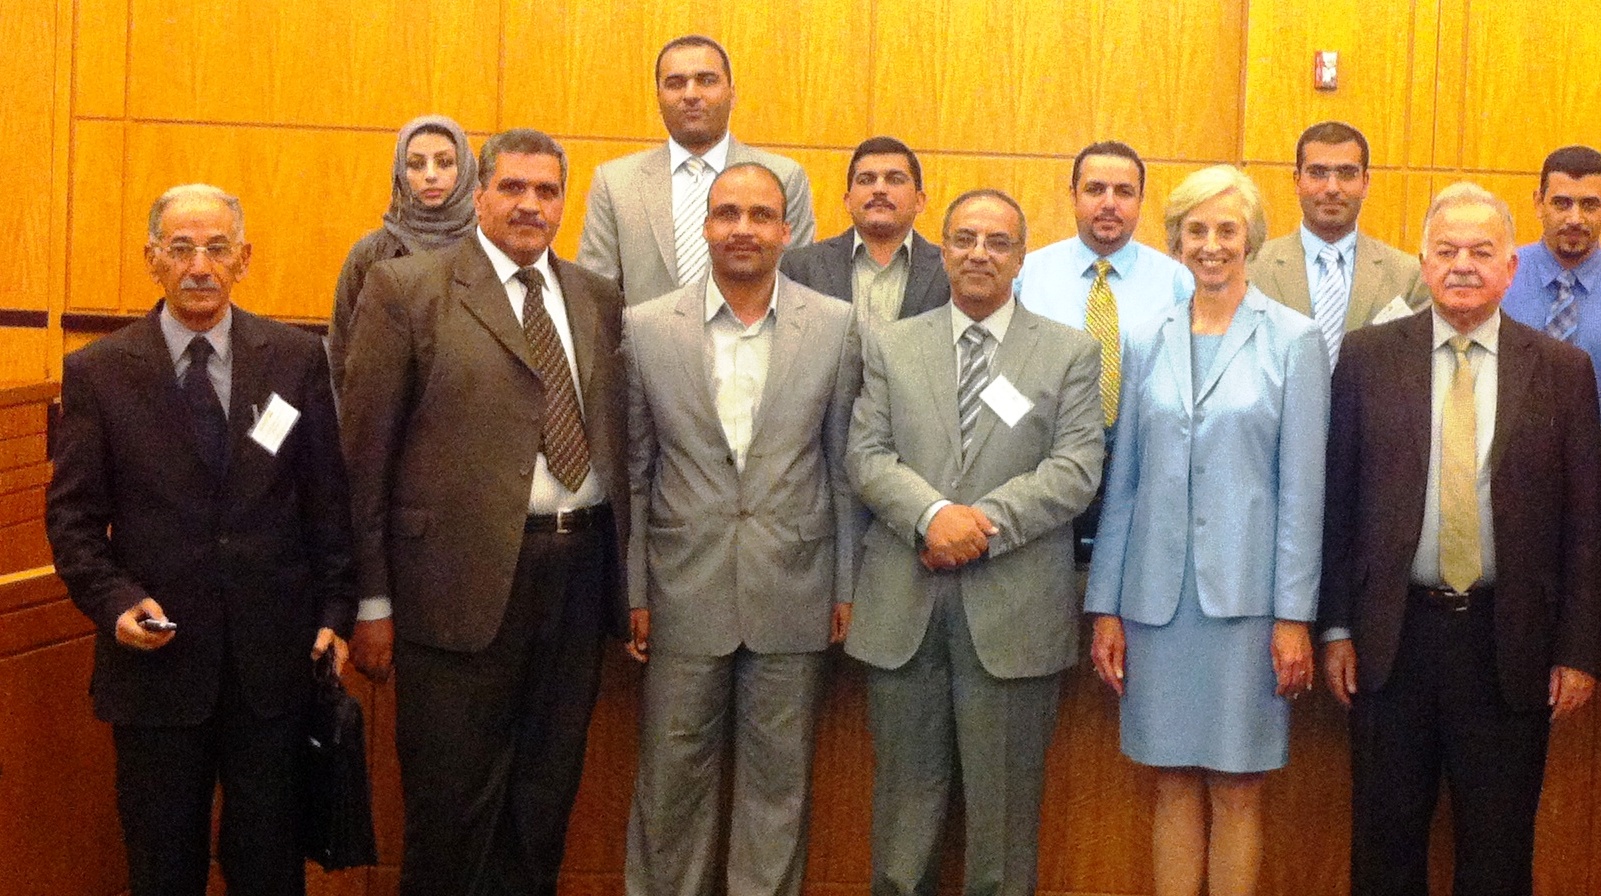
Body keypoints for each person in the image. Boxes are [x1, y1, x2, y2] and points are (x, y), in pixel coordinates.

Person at [342, 128, 627, 896]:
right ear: (480, 195)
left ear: (564, 203)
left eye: (547, 191)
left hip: (577, 577)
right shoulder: (409, 289)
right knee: (451, 814)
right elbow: (364, 459)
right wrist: (371, 600)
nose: (530, 205)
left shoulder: (597, 297)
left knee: (542, 805)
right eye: (513, 188)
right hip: (453, 590)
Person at [47, 183, 354, 896]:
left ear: (244, 259)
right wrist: (115, 602)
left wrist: (336, 613)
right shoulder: (99, 372)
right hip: (156, 668)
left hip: (272, 669)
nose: (199, 266)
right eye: (181, 248)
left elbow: (326, 503)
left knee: (269, 870)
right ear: (151, 258)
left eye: (217, 249)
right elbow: (73, 520)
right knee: (162, 870)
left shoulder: (295, 359)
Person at [1319, 182, 1601, 896]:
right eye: (1446, 251)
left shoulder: (1562, 370)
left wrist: (1577, 649)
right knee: (1384, 849)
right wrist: (1335, 626)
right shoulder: (1366, 357)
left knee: (1498, 852)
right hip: (1391, 639)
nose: (1463, 265)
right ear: (1423, 263)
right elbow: (1339, 504)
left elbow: (1584, 522)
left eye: (1481, 251)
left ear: (1512, 267)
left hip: (1508, 641)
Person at [844, 189, 1105, 896]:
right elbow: (866, 455)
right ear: (943, 250)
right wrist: (932, 516)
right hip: (904, 607)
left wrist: (976, 527)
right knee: (903, 825)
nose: (979, 253)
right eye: (964, 239)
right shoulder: (892, 344)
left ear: (1021, 257)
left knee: (1004, 828)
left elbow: (1076, 469)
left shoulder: (1071, 352)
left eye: (997, 241)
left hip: (1015, 611)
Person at [1084, 165, 1327, 896]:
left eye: (1227, 229)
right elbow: (1124, 484)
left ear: (1251, 239)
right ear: (1176, 241)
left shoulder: (1295, 340)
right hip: (1156, 605)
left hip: (1247, 610)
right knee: (1171, 781)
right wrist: (1105, 607)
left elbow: (1302, 492)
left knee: (1238, 787)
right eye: (1196, 230)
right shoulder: (1146, 337)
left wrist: (1294, 616)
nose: (1212, 244)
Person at [621, 162, 863, 896]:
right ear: (706, 227)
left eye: (760, 215)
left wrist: (845, 585)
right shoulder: (647, 327)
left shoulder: (835, 326)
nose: (743, 229)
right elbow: (636, 471)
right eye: (728, 214)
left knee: (778, 787)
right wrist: (635, 590)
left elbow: (843, 466)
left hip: (795, 584)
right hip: (681, 587)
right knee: (670, 784)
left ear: (786, 231)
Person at [1011, 140, 1191, 561]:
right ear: (1073, 196)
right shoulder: (1027, 275)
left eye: (1124, 192)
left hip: (1140, 472)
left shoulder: (1177, 283)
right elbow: (998, 373)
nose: (1109, 203)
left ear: (1141, 201)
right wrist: (1020, 428)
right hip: (1041, 468)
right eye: (1095, 189)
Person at [579, 35, 815, 304]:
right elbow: (593, 298)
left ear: (732, 94)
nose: (691, 94)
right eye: (675, 83)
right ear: (658, 99)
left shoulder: (784, 178)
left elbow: (797, 290)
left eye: (706, 80)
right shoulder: (615, 183)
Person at [1501, 145, 1601, 409]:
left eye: (1589, 205)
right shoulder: (1499, 279)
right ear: (1538, 203)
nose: (1575, 218)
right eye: (1562, 203)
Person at [1248, 121, 1422, 365]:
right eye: (1318, 173)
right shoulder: (1252, 270)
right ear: (1297, 181)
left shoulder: (1408, 277)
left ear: (1365, 182)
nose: (1332, 188)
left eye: (1346, 173)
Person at [328, 115, 477, 392]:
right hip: (387, 406)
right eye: (416, 164)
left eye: (445, 162)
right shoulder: (371, 253)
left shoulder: (489, 247)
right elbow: (342, 352)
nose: (430, 175)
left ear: (467, 170)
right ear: (400, 172)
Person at [778, 135, 950, 326]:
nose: (879, 189)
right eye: (866, 180)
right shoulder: (801, 267)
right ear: (848, 201)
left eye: (895, 180)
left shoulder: (948, 269)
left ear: (919, 201)